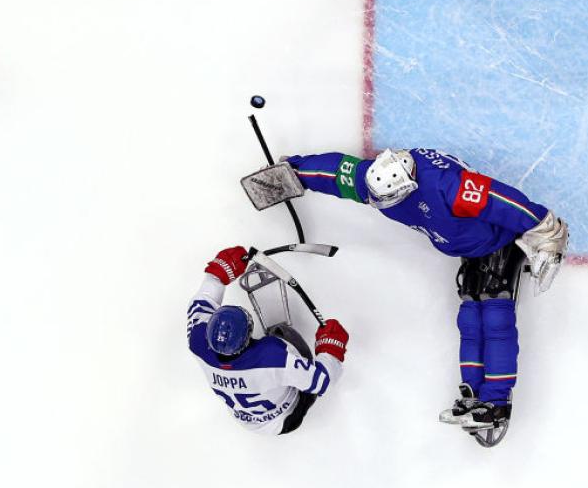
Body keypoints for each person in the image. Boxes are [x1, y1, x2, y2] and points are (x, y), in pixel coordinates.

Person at [284, 148, 567, 432]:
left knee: (495, 317)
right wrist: (294, 172)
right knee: (469, 319)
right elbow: (334, 172)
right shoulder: (374, 181)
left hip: (497, 240)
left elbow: (501, 200)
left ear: (407, 187)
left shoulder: (447, 186)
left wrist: (546, 229)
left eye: (384, 200)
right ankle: (472, 390)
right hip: (467, 247)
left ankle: (496, 402)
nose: (375, 203)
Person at [187, 245, 350, 434]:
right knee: (283, 334)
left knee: (277, 356)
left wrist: (217, 274)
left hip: (246, 420)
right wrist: (330, 350)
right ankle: (297, 386)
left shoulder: (197, 342)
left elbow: (200, 304)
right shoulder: (271, 357)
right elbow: (323, 381)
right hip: (286, 419)